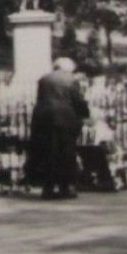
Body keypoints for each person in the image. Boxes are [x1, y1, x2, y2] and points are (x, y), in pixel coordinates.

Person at [26, 57, 88, 199]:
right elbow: (78, 100)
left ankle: (47, 187)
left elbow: (40, 99)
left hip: (43, 118)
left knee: (47, 151)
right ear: (68, 68)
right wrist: (84, 114)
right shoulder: (71, 79)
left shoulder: (44, 79)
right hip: (64, 118)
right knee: (66, 152)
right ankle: (65, 187)